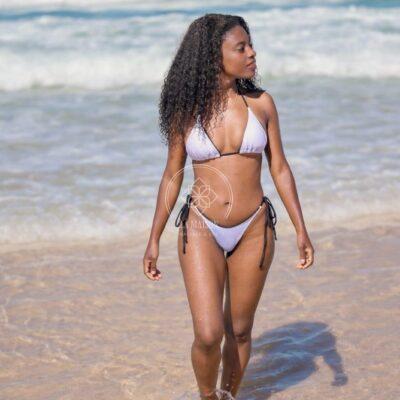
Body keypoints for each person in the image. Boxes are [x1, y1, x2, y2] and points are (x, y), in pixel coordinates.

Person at [143, 13, 315, 400]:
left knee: (238, 330)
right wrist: (153, 238)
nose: (251, 53)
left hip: (254, 226)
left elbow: (280, 168)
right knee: (208, 334)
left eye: (250, 45)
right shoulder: (187, 111)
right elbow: (172, 175)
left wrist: (301, 229)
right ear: (213, 56)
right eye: (241, 48)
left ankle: (229, 395)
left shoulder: (262, 104)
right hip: (201, 226)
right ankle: (208, 396)